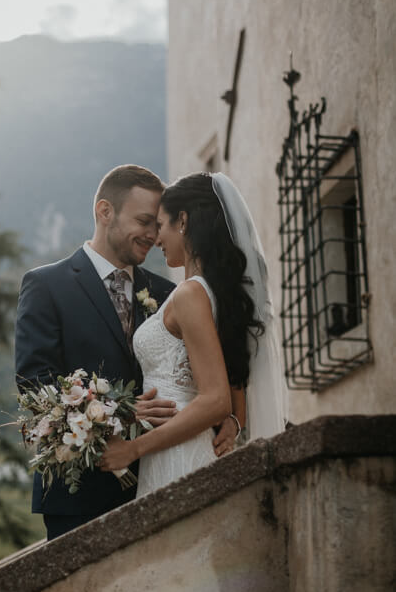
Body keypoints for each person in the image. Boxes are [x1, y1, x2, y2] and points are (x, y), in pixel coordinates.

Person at [15, 165, 240, 540]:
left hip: (162, 472)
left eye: (159, 224)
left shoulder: (171, 292)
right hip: (80, 491)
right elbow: (34, 387)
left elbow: (218, 363)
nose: (153, 235)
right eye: (144, 221)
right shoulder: (46, 285)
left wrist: (233, 417)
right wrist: (117, 412)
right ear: (105, 212)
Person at [100, 172, 286, 494]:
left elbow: (215, 399)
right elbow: (232, 373)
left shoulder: (189, 294)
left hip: (179, 455)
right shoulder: (212, 293)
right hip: (180, 448)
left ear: (182, 221)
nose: (156, 238)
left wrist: (134, 449)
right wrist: (237, 419)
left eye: (160, 225)